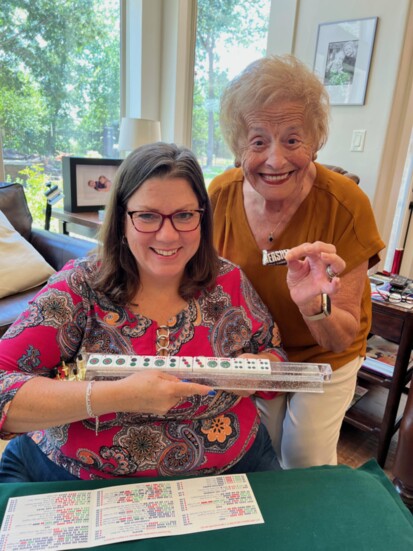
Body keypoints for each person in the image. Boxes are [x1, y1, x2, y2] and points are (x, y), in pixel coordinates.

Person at [0, 143, 286, 482]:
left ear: (201, 217)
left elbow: (276, 357)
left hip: (232, 466)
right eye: (147, 215)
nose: (168, 235)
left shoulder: (229, 281)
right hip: (87, 478)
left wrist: (257, 371)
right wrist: (119, 395)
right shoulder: (79, 286)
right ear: (122, 218)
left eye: (184, 215)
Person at [209, 54, 385, 469]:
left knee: (304, 456)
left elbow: (340, 337)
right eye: (258, 141)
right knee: (261, 451)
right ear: (238, 146)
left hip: (324, 356)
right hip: (257, 353)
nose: (275, 160)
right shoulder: (218, 195)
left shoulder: (346, 204)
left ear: (315, 141)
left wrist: (313, 306)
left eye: (292, 140)